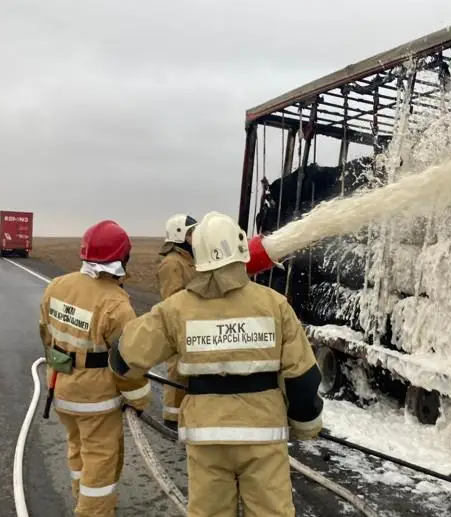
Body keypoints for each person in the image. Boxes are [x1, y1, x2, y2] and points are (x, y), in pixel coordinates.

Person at [109, 211, 323, 517]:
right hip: (263, 436)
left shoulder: (177, 309)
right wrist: (305, 426)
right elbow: (302, 379)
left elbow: (124, 357)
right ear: (240, 249)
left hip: (206, 438)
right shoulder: (274, 305)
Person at [39, 220, 151, 517]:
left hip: (61, 388)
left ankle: (79, 495)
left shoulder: (56, 287)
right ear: (123, 257)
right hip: (96, 401)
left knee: (77, 447)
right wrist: (139, 399)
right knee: (101, 460)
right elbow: (128, 364)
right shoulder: (116, 304)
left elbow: (46, 335)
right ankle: (93, 511)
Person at [157, 213, 198, 430]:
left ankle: (184, 414)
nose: (194, 236)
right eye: (190, 232)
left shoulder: (188, 259)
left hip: (191, 322)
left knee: (187, 371)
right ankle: (172, 418)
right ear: (179, 234)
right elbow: (173, 298)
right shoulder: (172, 263)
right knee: (177, 370)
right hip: (178, 324)